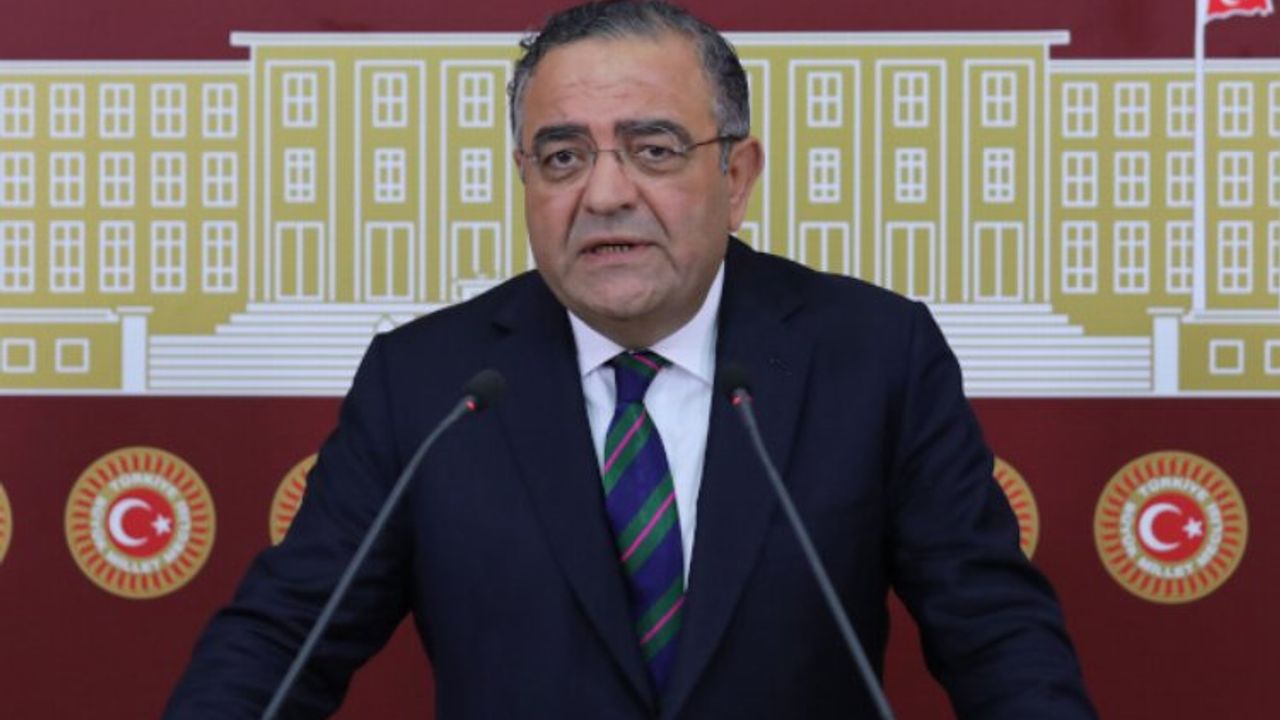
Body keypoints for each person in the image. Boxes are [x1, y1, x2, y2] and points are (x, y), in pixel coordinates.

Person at [166, 1, 1097, 718]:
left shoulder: (873, 354)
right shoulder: (426, 384)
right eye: (562, 158)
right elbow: (285, 637)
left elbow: (995, 634)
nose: (605, 193)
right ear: (525, 180)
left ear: (735, 177)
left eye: (653, 149)